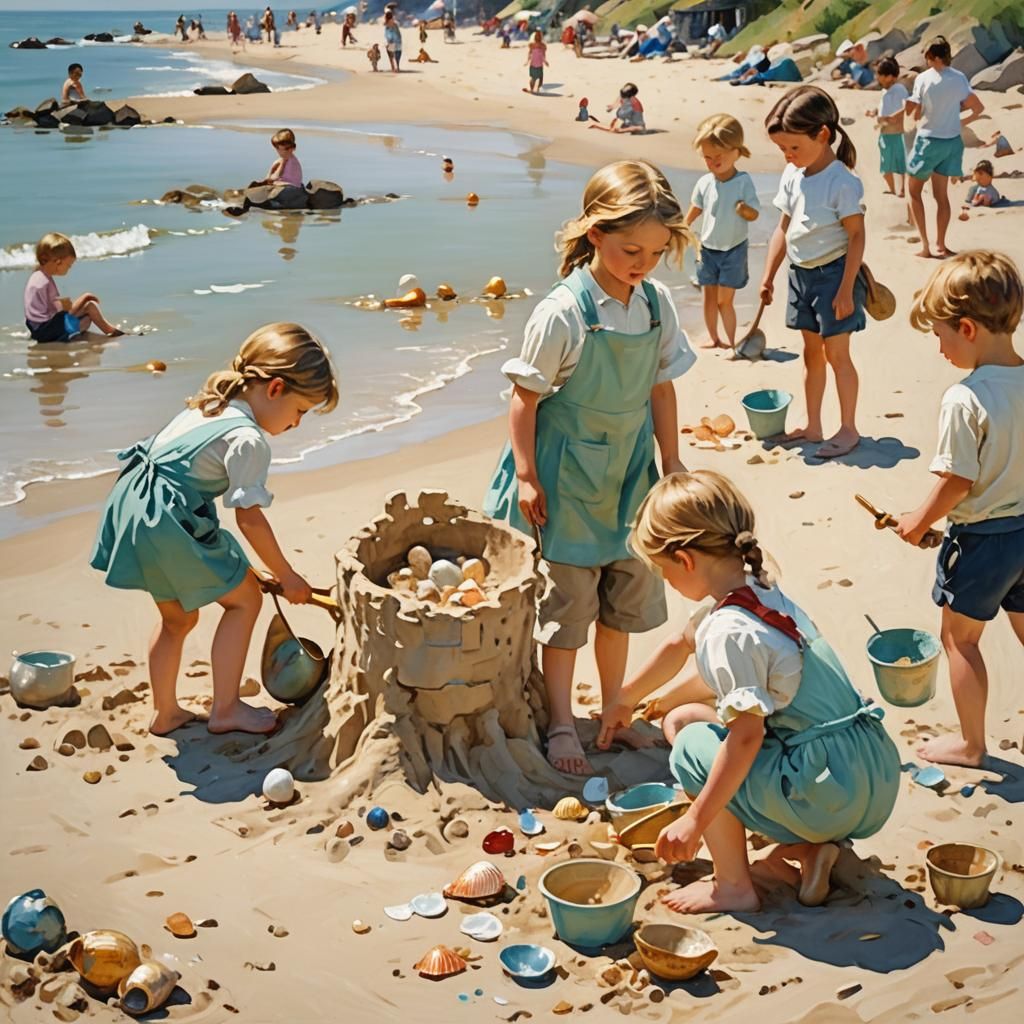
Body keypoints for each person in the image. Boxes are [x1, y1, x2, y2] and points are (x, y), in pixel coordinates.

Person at [598, 471, 901, 912]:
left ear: (684, 560)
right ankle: (811, 850)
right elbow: (681, 644)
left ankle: (733, 887)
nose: (665, 579)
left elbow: (746, 738)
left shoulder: (728, 632)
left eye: (662, 570)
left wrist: (694, 819)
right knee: (684, 717)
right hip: (869, 775)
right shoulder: (761, 590)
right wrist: (625, 699)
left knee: (691, 749)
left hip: (826, 794)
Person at [483, 160, 697, 775]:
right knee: (568, 609)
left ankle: (611, 712)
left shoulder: (655, 305)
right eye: (631, 250)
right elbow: (524, 398)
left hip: (629, 474)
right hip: (565, 479)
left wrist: (671, 459)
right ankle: (560, 722)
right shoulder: (564, 312)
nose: (643, 264)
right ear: (595, 233)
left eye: (655, 253)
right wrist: (527, 476)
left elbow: (660, 388)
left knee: (620, 602)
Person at [91, 324, 338, 737]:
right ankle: (225, 708)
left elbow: (186, 488)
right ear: (276, 388)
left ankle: (165, 712)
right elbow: (249, 520)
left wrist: (248, 566)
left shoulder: (209, 406)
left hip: (136, 508)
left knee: (177, 619)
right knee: (244, 601)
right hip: (169, 521)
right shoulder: (249, 439)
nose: (297, 423)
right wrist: (288, 575)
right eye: (301, 411)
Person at [895, 252, 1024, 768]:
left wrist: (918, 521)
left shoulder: (965, 398)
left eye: (940, 334)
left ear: (967, 328)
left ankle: (971, 746)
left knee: (960, 641)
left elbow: (957, 480)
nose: (940, 347)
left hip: (983, 540)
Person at [759, 85, 867, 459]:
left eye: (793, 146)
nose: (788, 156)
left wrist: (846, 289)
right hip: (800, 275)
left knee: (837, 354)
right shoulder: (793, 174)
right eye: (782, 149)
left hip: (835, 276)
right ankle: (814, 425)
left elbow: (856, 236)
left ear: (822, 134)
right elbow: (783, 228)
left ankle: (849, 428)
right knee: (811, 353)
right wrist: (769, 275)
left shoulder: (842, 181)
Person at [905, 36, 985, 259]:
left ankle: (925, 247)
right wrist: (960, 123)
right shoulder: (959, 78)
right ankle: (941, 245)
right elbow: (978, 108)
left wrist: (909, 111)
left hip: (929, 141)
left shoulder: (923, 78)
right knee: (941, 197)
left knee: (913, 192)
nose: (926, 61)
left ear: (935, 57)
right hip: (951, 143)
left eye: (928, 57)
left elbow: (915, 112)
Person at [686, 114, 760, 350]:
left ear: (737, 152)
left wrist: (745, 210)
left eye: (719, 156)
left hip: (733, 249)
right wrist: (682, 227)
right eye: (708, 157)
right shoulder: (704, 182)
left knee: (724, 301)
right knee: (708, 298)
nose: (713, 161)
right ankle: (714, 338)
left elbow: (755, 213)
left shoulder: (743, 181)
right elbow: (696, 208)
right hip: (707, 248)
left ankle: (731, 342)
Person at [24, 233, 124, 343]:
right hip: (45, 331)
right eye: (68, 265)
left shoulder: (38, 276)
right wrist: (78, 300)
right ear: (58, 262)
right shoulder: (43, 282)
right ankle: (112, 331)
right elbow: (54, 313)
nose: (69, 269)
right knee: (90, 306)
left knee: (87, 318)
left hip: (39, 329)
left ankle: (71, 334)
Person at [866, 56, 908, 197]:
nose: (877, 77)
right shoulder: (885, 91)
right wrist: (874, 112)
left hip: (897, 133)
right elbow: (884, 107)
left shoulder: (899, 89)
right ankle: (892, 189)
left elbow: (906, 107)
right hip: (884, 133)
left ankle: (902, 189)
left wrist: (892, 117)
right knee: (886, 165)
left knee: (900, 163)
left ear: (889, 76)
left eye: (879, 74)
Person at [525, 29, 548, 94]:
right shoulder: (541, 46)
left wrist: (527, 61)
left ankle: (533, 89)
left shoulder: (533, 45)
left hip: (534, 65)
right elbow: (543, 55)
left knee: (534, 78)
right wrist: (545, 61)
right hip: (537, 65)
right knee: (538, 79)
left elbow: (530, 54)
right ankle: (535, 89)